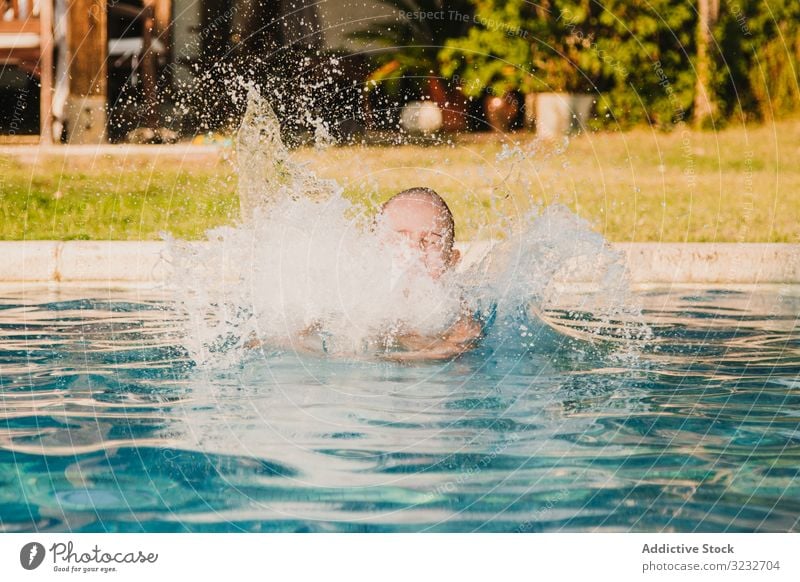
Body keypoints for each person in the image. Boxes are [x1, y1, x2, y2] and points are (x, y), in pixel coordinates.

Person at [376, 187, 483, 361]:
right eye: (399, 240)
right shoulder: (355, 300)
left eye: (430, 242)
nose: (415, 251)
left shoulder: (455, 310)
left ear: (451, 261)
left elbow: (460, 348)